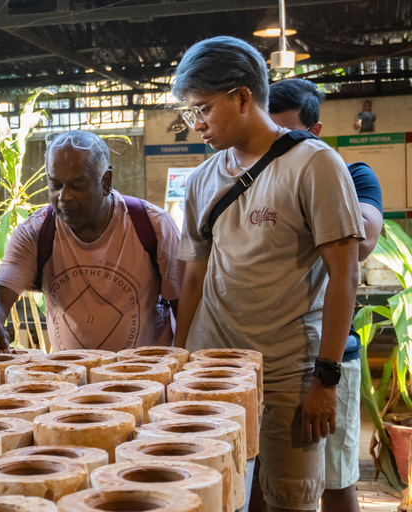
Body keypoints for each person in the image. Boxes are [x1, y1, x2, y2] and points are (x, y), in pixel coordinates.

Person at [171, 36, 364, 512]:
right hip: (213, 373)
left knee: (288, 500)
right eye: (189, 113)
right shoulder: (202, 179)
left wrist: (326, 379)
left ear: (241, 96)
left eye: (202, 110)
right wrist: (177, 359)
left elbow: (344, 276)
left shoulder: (314, 165)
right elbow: (193, 279)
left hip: (288, 377)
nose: (196, 125)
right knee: (212, 493)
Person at [269, 78, 383, 512]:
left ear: (314, 133)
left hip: (328, 356)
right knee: (270, 484)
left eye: (286, 137)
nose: (273, 149)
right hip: (273, 358)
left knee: (334, 481)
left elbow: (364, 242)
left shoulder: (352, 174)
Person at [0, 130, 183, 352]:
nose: (64, 196)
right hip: (72, 379)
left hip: (146, 378)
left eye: (77, 186)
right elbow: (0, 293)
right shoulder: (36, 231)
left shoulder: (152, 225)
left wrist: (182, 359)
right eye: (55, 185)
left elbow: (184, 305)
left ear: (106, 181)